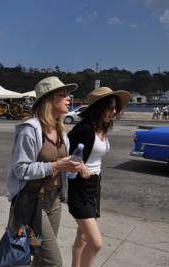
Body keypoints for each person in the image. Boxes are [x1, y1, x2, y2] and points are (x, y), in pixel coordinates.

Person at [6, 76, 83, 267]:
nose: (69, 98)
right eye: (62, 94)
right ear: (49, 100)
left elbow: (62, 167)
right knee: (53, 261)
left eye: (69, 94)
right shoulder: (30, 129)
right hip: (33, 203)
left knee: (39, 253)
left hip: (54, 201)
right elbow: (20, 169)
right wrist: (56, 165)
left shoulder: (61, 130)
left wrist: (74, 167)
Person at [67, 87, 130, 267]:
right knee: (96, 243)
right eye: (110, 107)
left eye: (116, 107)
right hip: (80, 189)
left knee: (83, 239)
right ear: (99, 107)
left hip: (94, 187)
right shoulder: (85, 129)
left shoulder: (101, 127)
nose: (114, 111)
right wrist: (80, 165)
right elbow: (64, 154)